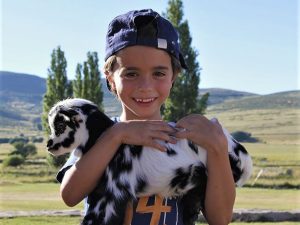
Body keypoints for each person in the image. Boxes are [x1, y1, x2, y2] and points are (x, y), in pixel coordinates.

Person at [57, 9, 236, 225]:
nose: (145, 86)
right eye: (131, 74)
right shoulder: (97, 136)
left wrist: (217, 148)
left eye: (159, 73)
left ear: (173, 77)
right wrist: (117, 135)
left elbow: (221, 219)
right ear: (110, 78)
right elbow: (70, 195)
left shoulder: (189, 141)